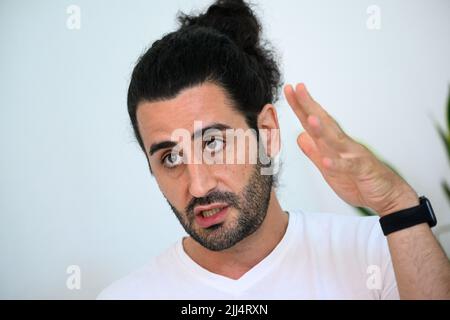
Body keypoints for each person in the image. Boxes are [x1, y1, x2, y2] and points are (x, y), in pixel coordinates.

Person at [98, 0, 450, 299]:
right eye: (170, 157)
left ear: (266, 132)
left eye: (213, 143)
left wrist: (397, 205)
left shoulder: (380, 248)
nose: (199, 186)